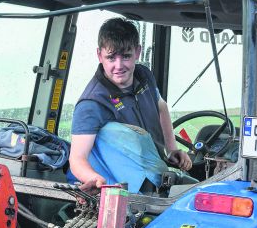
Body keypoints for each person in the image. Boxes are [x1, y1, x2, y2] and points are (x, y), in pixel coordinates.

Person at [69, 17, 192, 192]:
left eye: (126, 56)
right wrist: (93, 178)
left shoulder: (144, 76)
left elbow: (161, 106)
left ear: (137, 52)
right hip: (122, 189)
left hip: (156, 176)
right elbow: (77, 159)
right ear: (99, 55)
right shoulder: (92, 103)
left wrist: (172, 150)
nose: (118, 66)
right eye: (111, 58)